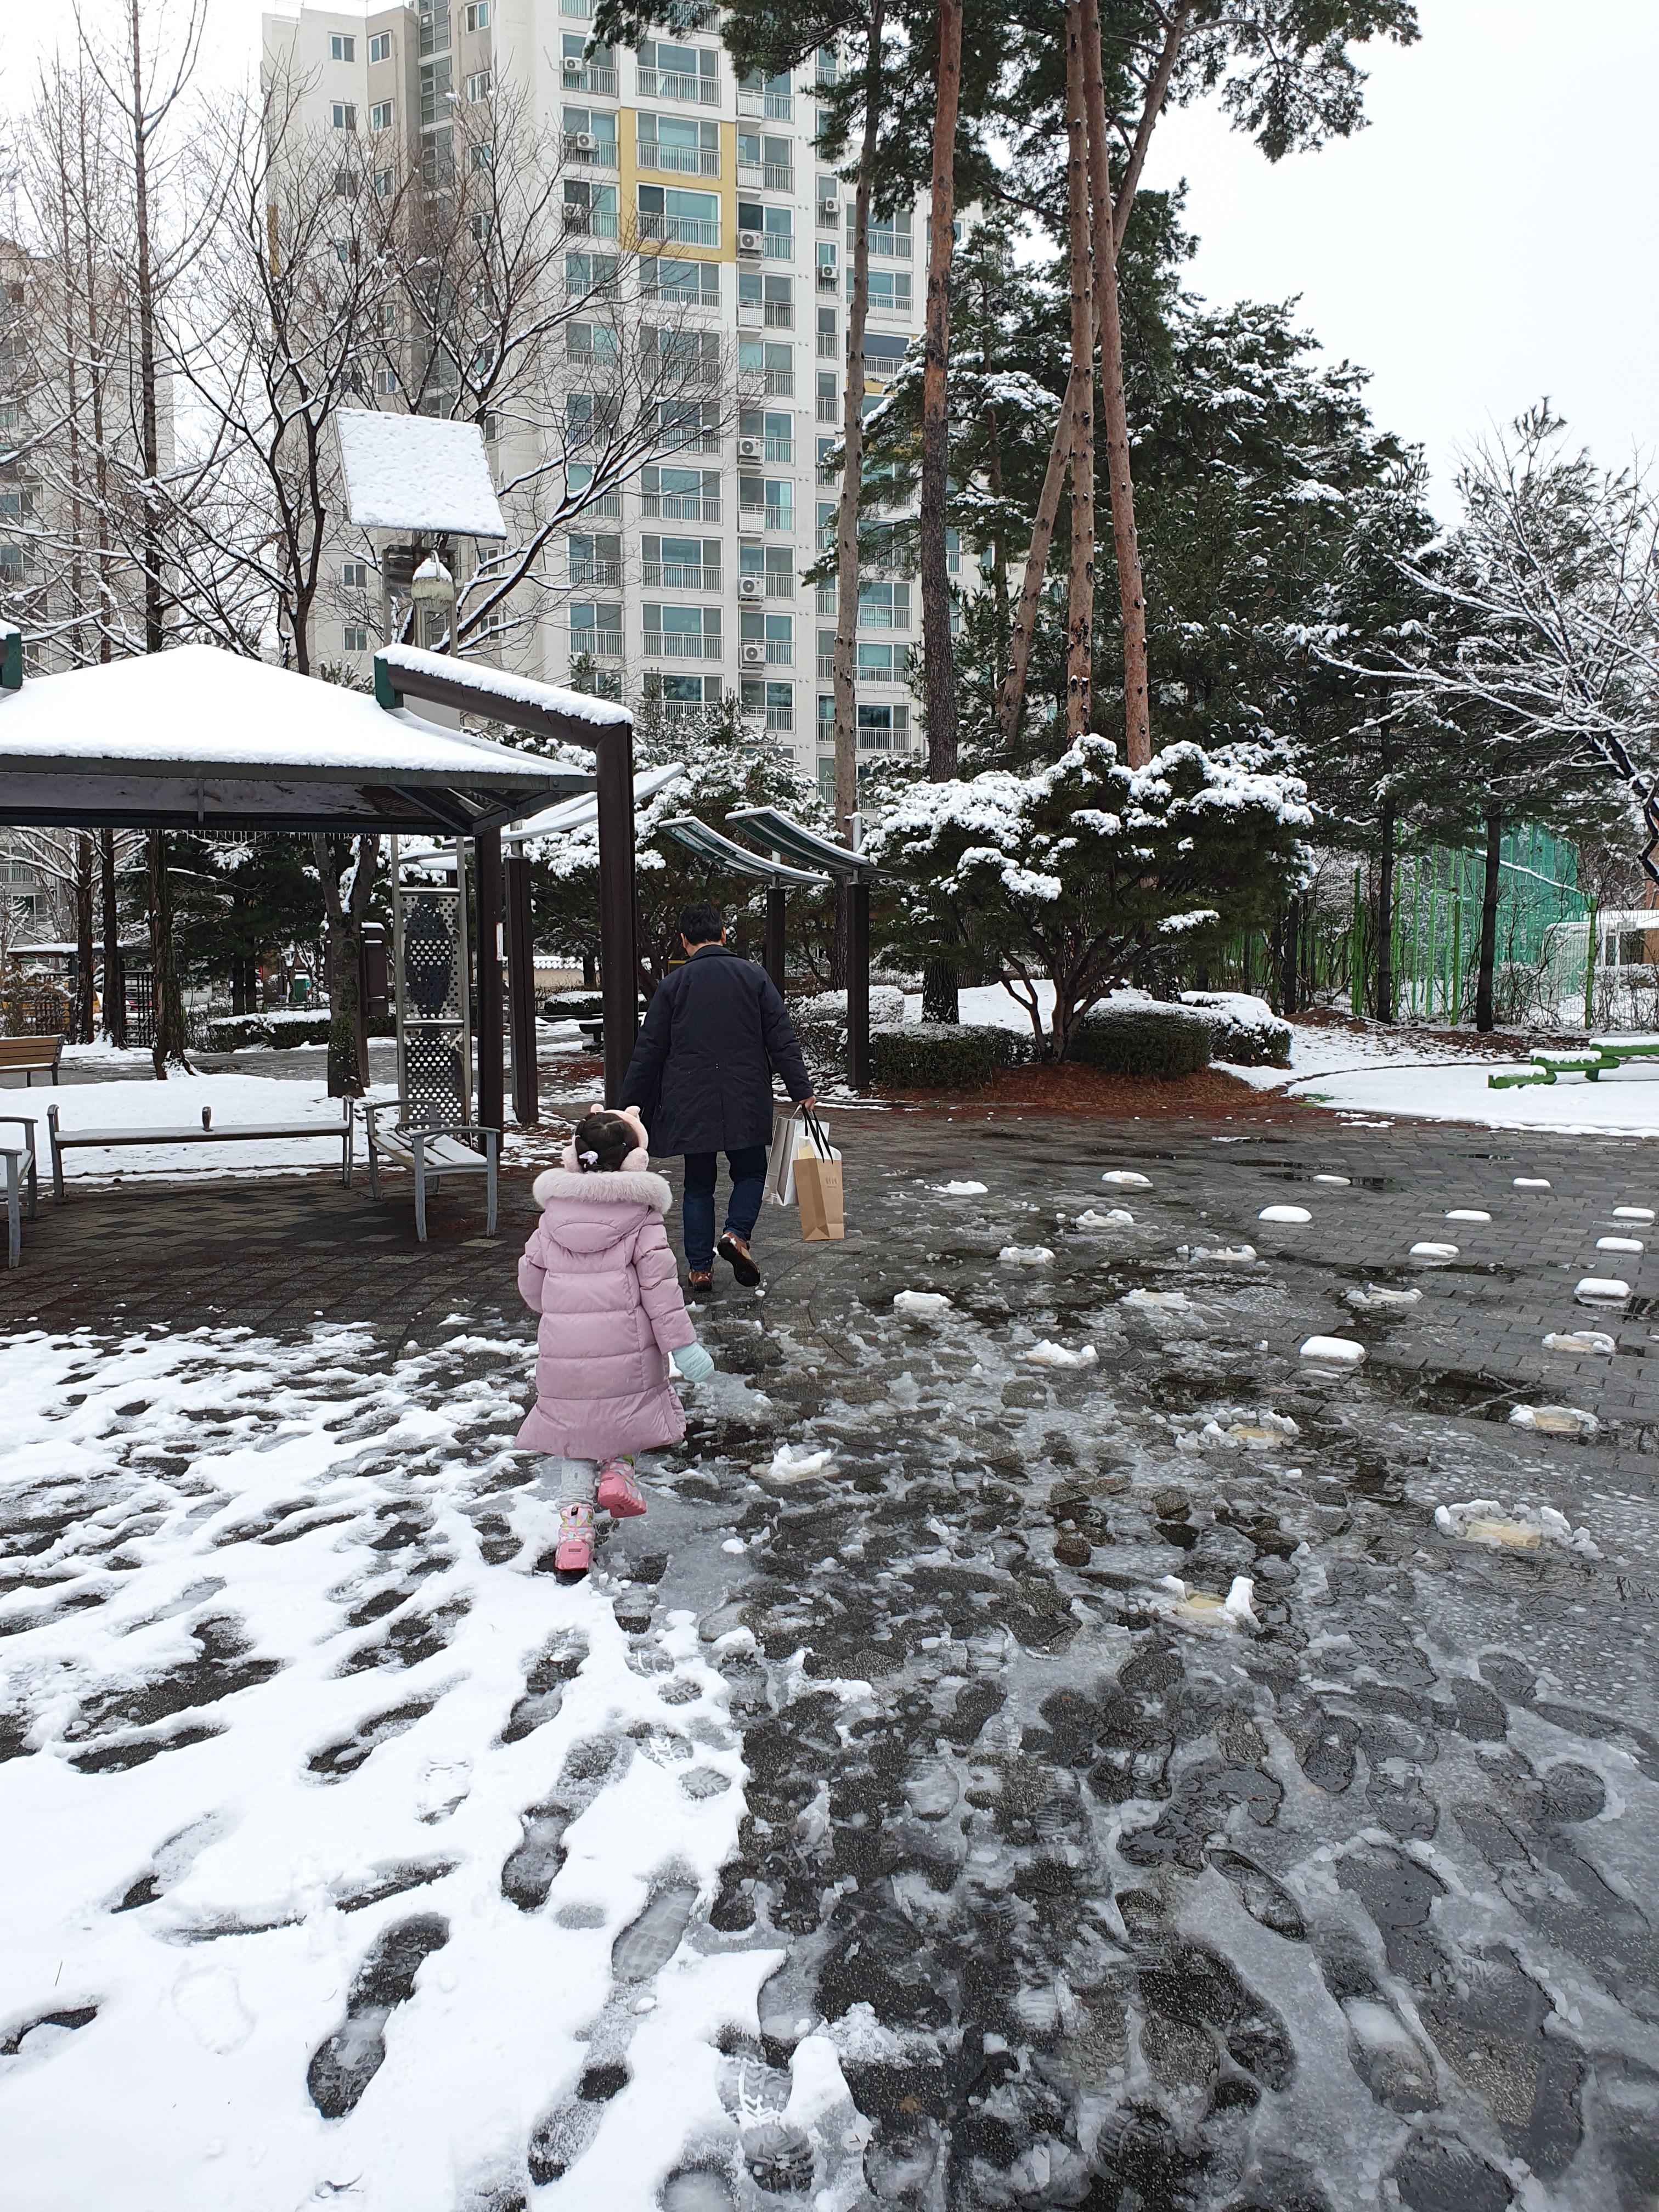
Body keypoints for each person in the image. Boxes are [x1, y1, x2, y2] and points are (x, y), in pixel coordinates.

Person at [514, 1104, 715, 1576]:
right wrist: (683, 1346)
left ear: (574, 1158)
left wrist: (556, 1311)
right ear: (634, 1162)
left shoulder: (552, 1218)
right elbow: (660, 1290)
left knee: (575, 1439)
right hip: (627, 1352)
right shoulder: (642, 1219)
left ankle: (574, 1541)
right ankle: (619, 1474)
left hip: (565, 1354)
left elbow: (530, 1279)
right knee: (626, 1418)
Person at [621, 901, 815, 1298]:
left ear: (684, 941)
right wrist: (801, 1089)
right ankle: (736, 1235)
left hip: (691, 1099)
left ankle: (700, 1270)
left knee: (698, 1184)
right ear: (724, 934)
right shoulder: (754, 976)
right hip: (746, 1094)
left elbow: (649, 1050)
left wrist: (629, 1107)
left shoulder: (673, 985)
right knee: (751, 1172)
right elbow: (781, 1037)